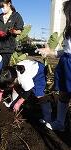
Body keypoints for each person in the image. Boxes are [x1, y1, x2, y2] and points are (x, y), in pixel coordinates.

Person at [36, 0, 71, 131]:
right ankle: (60, 123)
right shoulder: (69, 30)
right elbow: (67, 51)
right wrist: (51, 52)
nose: (66, 17)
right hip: (66, 63)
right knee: (63, 94)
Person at [0, 0, 24, 68]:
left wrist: (13, 31)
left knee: (3, 67)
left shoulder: (16, 16)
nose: (2, 9)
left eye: (3, 7)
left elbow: (19, 31)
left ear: (9, 4)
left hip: (8, 47)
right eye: (0, 7)